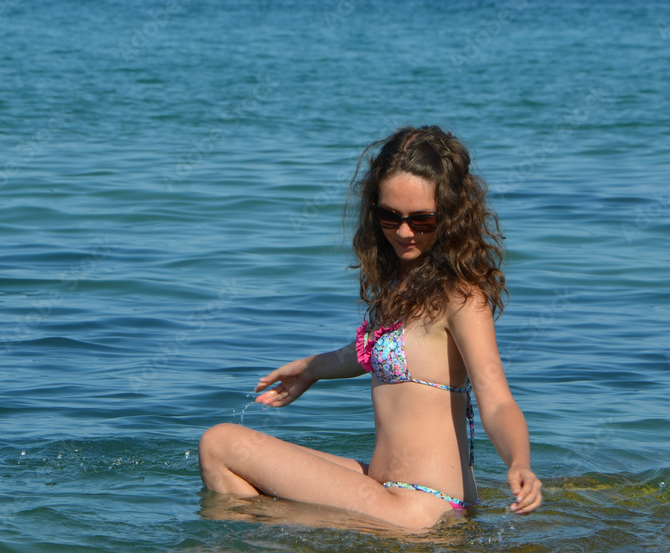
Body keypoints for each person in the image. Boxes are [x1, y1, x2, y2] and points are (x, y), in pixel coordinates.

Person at [199, 125, 542, 530]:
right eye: (390, 216)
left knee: (220, 444)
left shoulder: (460, 297)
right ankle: (271, 552)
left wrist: (519, 462)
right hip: (388, 490)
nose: (404, 232)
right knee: (247, 474)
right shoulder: (403, 284)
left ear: (450, 215)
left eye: (422, 220)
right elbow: (376, 351)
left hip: (420, 505)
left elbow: (496, 398)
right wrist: (312, 368)